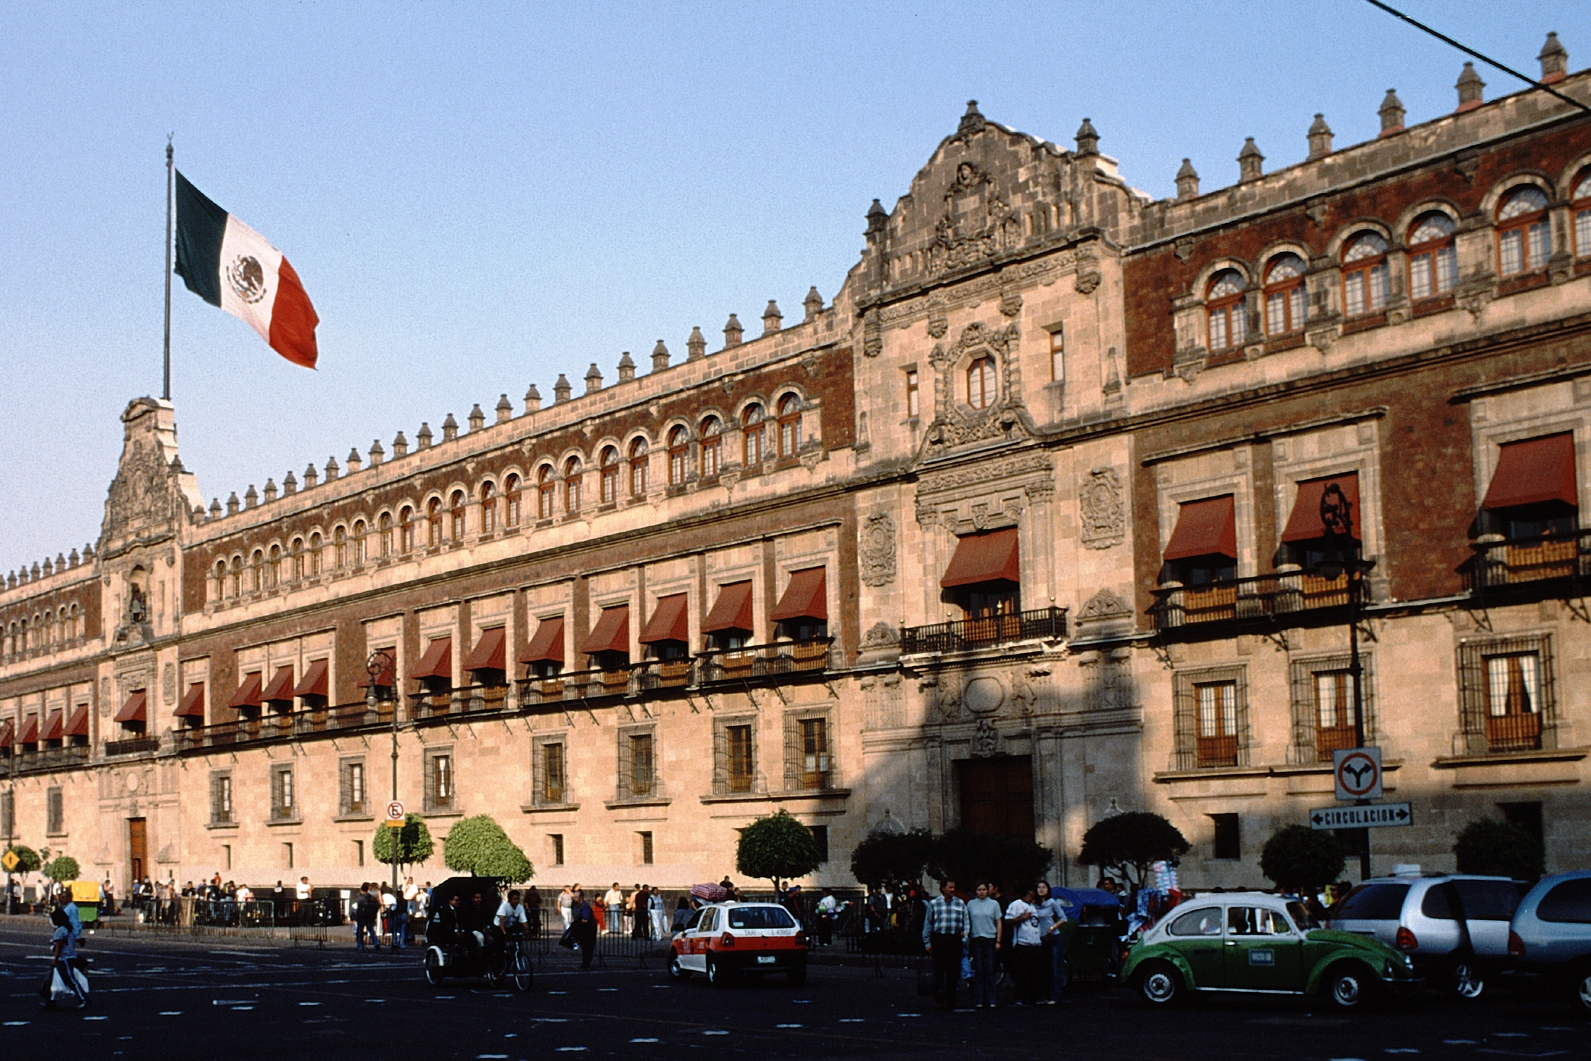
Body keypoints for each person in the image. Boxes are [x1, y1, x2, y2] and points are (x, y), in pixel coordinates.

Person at [921, 878, 969, 1010]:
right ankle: (939, 1000)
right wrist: (927, 943)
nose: (953, 890)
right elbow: (928, 923)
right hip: (939, 938)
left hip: (954, 938)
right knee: (939, 971)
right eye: (950, 887)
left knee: (954, 972)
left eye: (954, 887)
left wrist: (964, 938)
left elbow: (966, 921)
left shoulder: (960, 903)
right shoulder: (934, 903)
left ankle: (952, 999)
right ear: (943, 888)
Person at [1004, 886, 1047, 1006]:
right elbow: (1008, 920)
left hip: (1036, 942)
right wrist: (1022, 918)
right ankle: (1020, 997)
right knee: (1022, 972)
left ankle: (1035, 997)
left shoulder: (1034, 906)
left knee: (1036, 972)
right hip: (1022, 943)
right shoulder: (1017, 904)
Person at [40, 903, 88, 1009]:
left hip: (64, 959)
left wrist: (55, 960)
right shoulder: (69, 929)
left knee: (70, 980)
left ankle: (83, 998)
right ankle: (50, 1001)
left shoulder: (60, 931)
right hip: (71, 956)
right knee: (57, 980)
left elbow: (59, 947)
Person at [966, 882, 1003, 1008]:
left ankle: (991, 999)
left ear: (987, 891)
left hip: (990, 938)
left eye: (983, 889)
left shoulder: (994, 904)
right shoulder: (971, 904)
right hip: (976, 938)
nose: (981, 892)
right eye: (979, 889)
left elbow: (998, 922)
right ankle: (979, 999)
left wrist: (998, 940)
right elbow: (967, 921)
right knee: (979, 970)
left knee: (990, 969)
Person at [1035, 880, 1067, 1004]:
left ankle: (1056, 994)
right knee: (1044, 967)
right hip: (1041, 938)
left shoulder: (1052, 902)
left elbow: (1063, 918)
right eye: (1039, 887)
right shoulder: (1035, 905)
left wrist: (1053, 928)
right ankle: (1045, 994)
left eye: (1044, 887)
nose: (1041, 889)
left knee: (1055, 966)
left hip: (1053, 937)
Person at [572, 888, 599, 969]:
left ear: (581, 898)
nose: (574, 898)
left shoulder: (585, 906)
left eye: (576, 897)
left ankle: (587, 963)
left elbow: (585, 919)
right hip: (582, 929)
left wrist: (577, 924)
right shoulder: (574, 905)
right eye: (574, 897)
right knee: (584, 946)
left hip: (589, 928)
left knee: (588, 946)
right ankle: (585, 962)